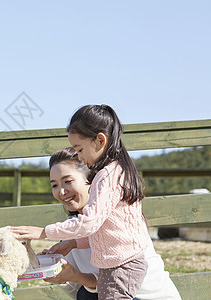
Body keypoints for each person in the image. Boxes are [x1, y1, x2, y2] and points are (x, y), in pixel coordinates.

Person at [11, 105, 149, 299]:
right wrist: (74, 243)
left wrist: (44, 232)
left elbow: (90, 223)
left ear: (100, 140)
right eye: (54, 185)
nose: (81, 158)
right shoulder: (117, 171)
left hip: (121, 266)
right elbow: (107, 230)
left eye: (80, 149)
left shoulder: (107, 175)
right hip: (119, 264)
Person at [39, 147, 181, 299]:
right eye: (54, 185)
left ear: (92, 180)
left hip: (144, 296)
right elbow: (79, 288)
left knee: (88, 296)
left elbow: (119, 282)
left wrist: (75, 276)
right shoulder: (70, 228)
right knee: (86, 295)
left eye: (67, 181)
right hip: (110, 293)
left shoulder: (121, 219)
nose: (61, 192)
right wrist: (53, 269)